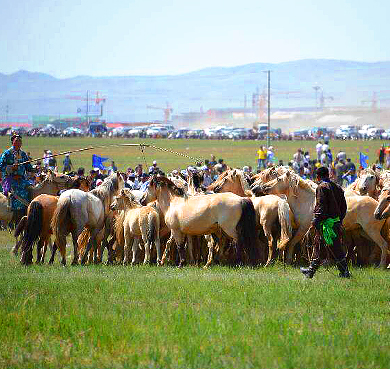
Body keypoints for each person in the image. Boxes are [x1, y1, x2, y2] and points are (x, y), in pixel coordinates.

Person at [300, 166, 350, 279]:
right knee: (321, 246)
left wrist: (315, 220)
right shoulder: (337, 187)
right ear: (328, 174)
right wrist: (338, 220)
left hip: (326, 224)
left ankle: (345, 272)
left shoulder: (321, 187)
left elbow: (320, 206)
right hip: (335, 222)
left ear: (318, 177)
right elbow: (344, 207)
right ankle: (311, 271)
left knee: (335, 247)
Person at [0, 134, 34, 217]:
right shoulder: (7, 153)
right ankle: (13, 214)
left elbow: (28, 167)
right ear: (12, 142)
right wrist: (11, 167)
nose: (19, 142)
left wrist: (34, 168)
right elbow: (1, 166)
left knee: (32, 190)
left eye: (20, 141)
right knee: (16, 195)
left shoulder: (23, 154)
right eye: (16, 141)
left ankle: (29, 211)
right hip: (10, 180)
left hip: (22, 180)